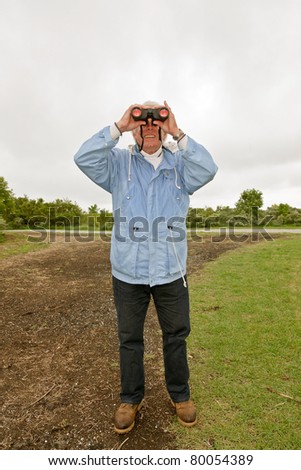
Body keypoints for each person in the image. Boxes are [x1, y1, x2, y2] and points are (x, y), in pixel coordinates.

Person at [74, 100, 218, 434]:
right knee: (129, 338)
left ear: (163, 129)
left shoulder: (181, 165)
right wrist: (118, 126)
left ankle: (180, 395)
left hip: (171, 271)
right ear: (135, 129)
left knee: (176, 336)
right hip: (128, 271)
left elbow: (208, 169)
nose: (149, 126)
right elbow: (83, 158)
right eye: (143, 122)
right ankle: (130, 398)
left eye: (156, 122)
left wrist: (178, 132)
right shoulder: (118, 164)